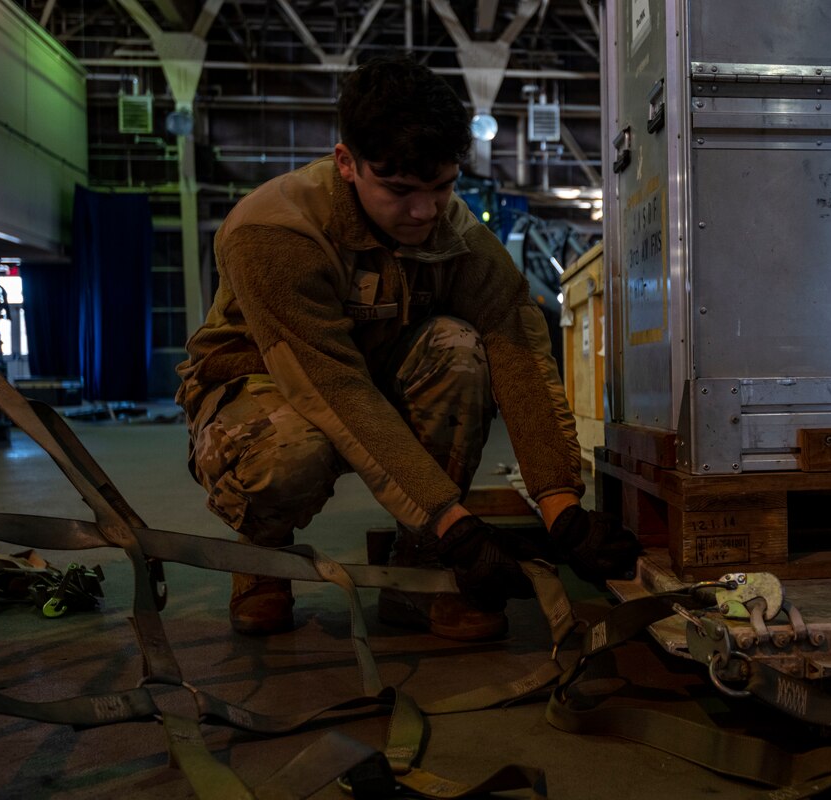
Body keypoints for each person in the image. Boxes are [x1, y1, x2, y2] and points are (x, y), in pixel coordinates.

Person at [175, 54, 640, 640]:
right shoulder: (274, 231)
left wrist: (561, 507)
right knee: (291, 452)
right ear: (347, 163)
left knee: (461, 348)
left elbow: (517, 348)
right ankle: (263, 558)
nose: (424, 211)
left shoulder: (455, 234)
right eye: (398, 190)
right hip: (266, 386)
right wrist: (458, 524)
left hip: (376, 378)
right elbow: (332, 386)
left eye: (441, 187)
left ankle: (419, 568)